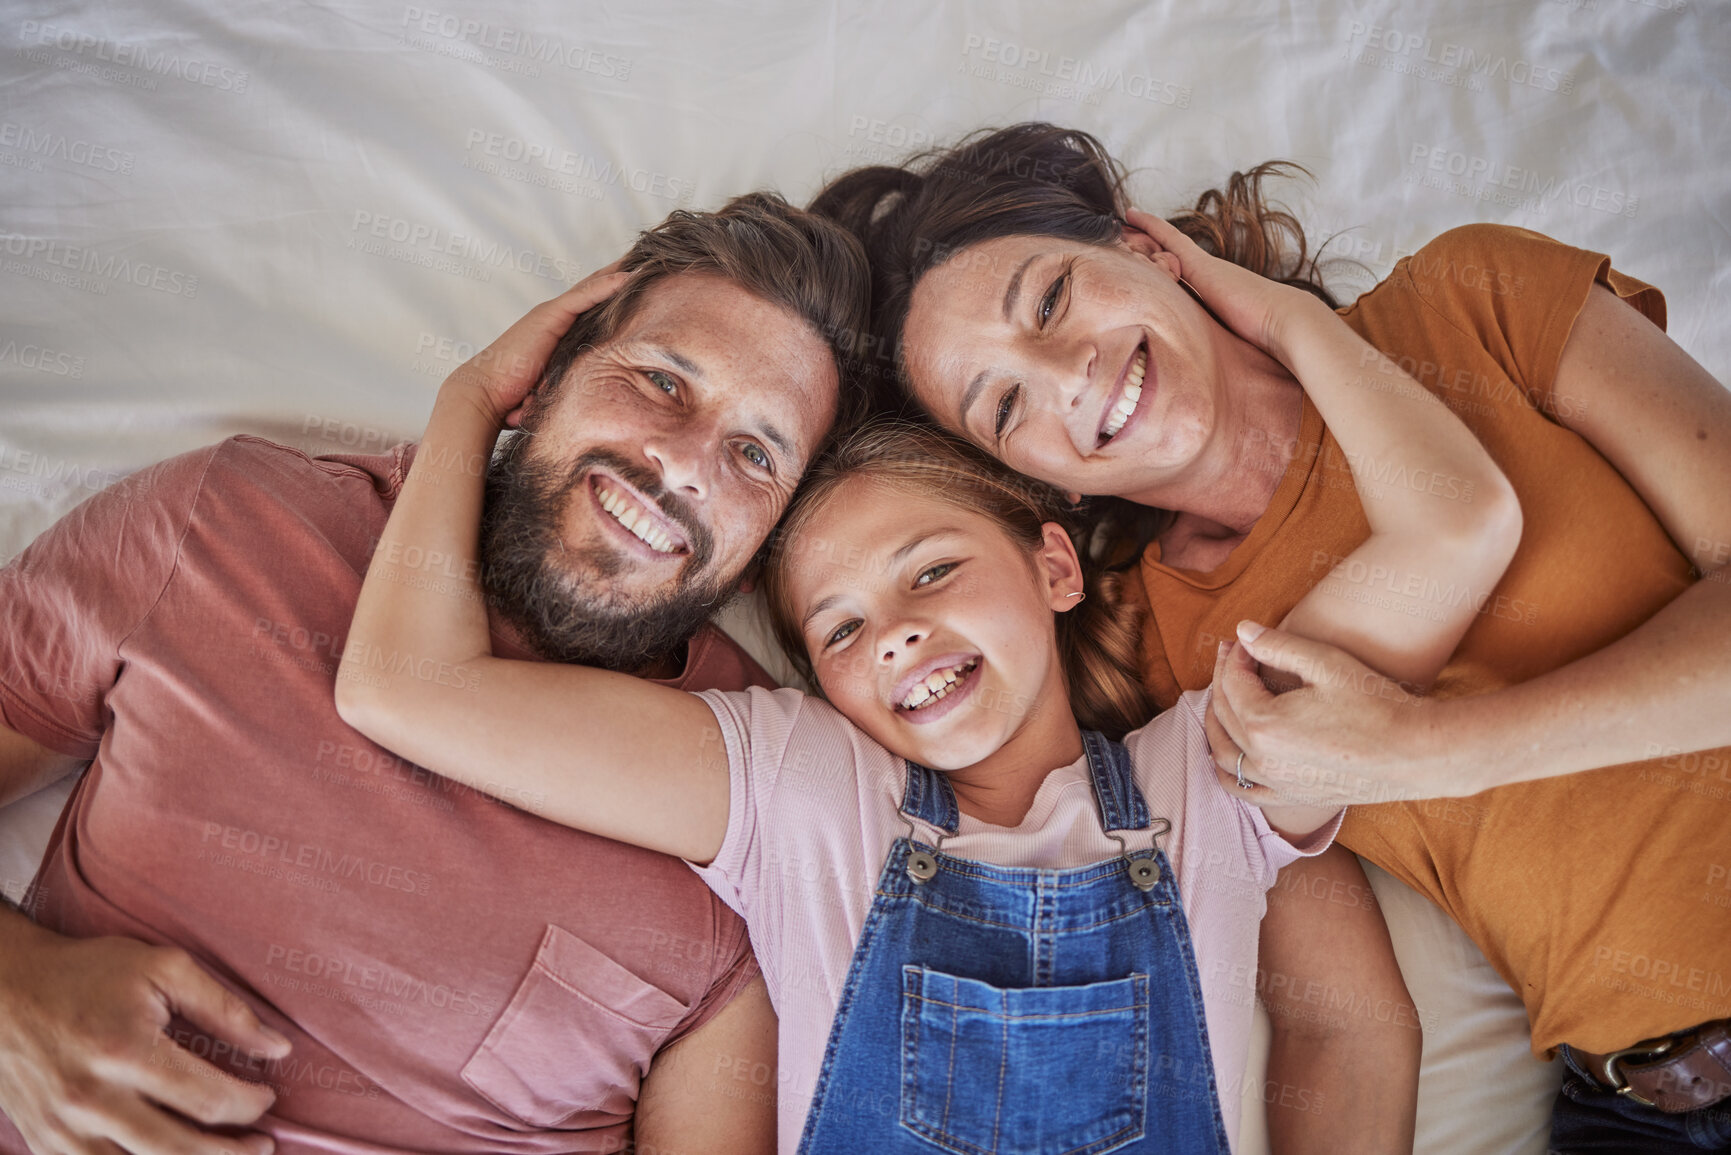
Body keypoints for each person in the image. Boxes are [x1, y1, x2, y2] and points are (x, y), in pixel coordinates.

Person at [331, 217, 1519, 1153]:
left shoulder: (1218, 769)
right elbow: (404, 687)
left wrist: (1273, 317)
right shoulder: (800, 786)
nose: (894, 636)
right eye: (840, 629)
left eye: (933, 572)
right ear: (821, 686)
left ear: (1055, 565)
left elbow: (1460, 524)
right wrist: (475, 398)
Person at [814, 122, 1731, 1149]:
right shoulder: (1155, 658)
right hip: (1647, 1104)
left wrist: (1440, 748)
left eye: (1053, 299)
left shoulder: (1471, 300)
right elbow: (1345, 1018)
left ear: (1147, 249)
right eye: (1008, 403)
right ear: (1041, 484)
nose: (1068, 372)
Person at [0, 192, 870, 1155]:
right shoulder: (227, 525)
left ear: (766, 547)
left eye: (754, 453)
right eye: (662, 382)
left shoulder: (758, 812)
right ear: (538, 381)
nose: (683, 461)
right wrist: (14, 999)